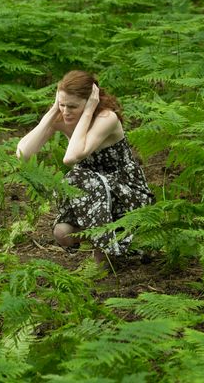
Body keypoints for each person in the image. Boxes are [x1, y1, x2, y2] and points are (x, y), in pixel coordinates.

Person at [16, 70, 153, 265]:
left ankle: (111, 244)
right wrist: (53, 111)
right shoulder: (62, 115)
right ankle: (111, 238)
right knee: (62, 234)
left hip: (124, 190)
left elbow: (72, 157)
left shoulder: (106, 118)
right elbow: (24, 154)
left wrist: (88, 111)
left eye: (72, 106)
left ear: (91, 100)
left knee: (84, 178)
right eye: (62, 105)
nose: (66, 111)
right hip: (89, 192)